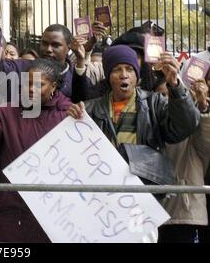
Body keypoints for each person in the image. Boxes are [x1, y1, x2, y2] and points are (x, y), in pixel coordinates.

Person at [68, 45, 200, 200]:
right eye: (117, 69)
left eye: (129, 69)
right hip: (103, 195)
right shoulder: (89, 109)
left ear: (137, 76)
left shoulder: (155, 103)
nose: (124, 75)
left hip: (144, 193)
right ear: (109, 76)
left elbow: (187, 125)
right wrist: (73, 120)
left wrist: (176, 86)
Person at [0, 59, 72, 242]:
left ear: (53, 86)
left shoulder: (67, 114)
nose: (31, 88)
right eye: (27, 83)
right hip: (14, 208)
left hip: (55, 212)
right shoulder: (7, 111)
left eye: (39, 84)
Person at [157, 76, 210, 243]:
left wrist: (203, 109)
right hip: (151, 213)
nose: (168, 102)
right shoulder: (150, 125)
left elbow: (206, 142)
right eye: (162, 96)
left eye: (173, 96)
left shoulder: (194, 130)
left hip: (183, 213)